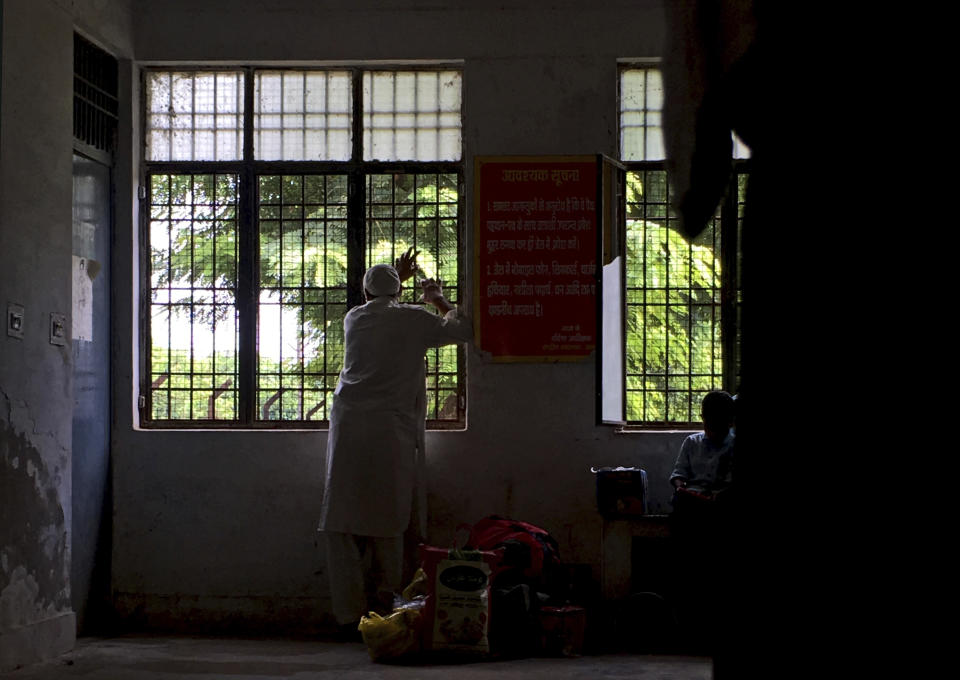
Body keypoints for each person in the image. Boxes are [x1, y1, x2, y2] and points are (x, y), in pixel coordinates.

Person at [318, 248, 471, 636]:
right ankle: (388, 604)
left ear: (365, 292)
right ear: (398, 292)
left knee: (341, 521)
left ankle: (348, 615)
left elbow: (377, 301)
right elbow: (463, 330)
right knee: (389, 518)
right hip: (390, 431)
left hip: (349, 428)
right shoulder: (414, 319)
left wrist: (394, 281)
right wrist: (436, 298)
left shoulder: (354, 319)